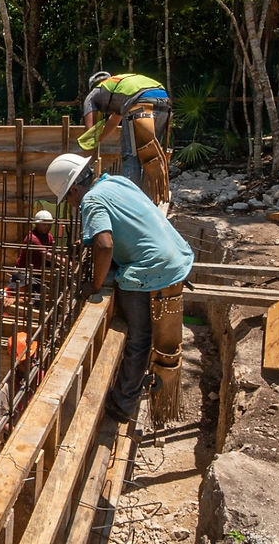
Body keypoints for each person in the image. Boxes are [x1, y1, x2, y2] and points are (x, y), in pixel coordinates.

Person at [45, 153, 193, 424]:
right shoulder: (116, 182)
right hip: (174, 254)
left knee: (139, 338)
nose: (71, 204)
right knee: (138, 329)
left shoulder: (91, 200)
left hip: (152, 269)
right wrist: (85, 244)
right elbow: (124, 225)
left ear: (75, 189)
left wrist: (95, 285)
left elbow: (105, 245)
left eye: (67, 198)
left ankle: (123, 404)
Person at [80, 72, 171, 202]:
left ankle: (131, 201)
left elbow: (90, 134)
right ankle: (150, 200)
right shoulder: (118, 87)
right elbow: (114, 121)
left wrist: (85, 164)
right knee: (151, 155)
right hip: (163, 101)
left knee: (130, 155)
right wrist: (99, 139)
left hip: (139, 104)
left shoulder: (92, 96)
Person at [15, 209, 66, 274]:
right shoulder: (31, 238)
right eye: (44, 224)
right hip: (23, 273)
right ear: (36, 224)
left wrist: (63, 258)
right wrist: (63, 261)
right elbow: (46, 255)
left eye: (49, 224)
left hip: (37, 272)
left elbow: (53, 253)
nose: (47, 227)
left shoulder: (49, 237)